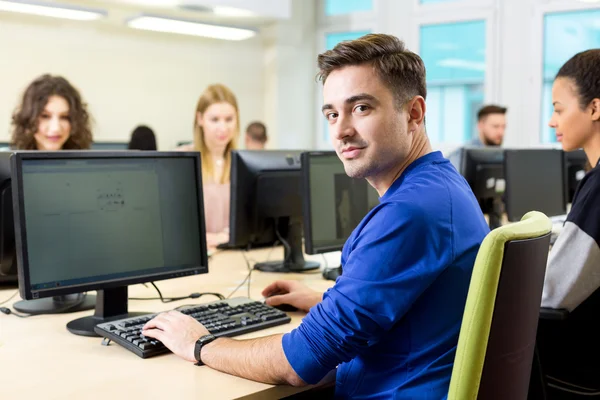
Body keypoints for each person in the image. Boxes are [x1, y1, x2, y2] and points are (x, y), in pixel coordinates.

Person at [141, 34, 489, 397]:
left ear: (414, 113)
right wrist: (328, 302)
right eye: (332, 114)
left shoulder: (409, 212)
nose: (340, 131)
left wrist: (201, 343)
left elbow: (299, 362)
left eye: (362, 108)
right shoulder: (443, 186)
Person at [537, 49, 600, 391]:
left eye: (558, 110)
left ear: (594, 108)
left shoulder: (598, 187)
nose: (552, 121)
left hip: (579, 369)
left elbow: (551, 293)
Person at [179, 84, 239, 248]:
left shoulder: (242, 163)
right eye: (215, 120)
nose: (223, 128)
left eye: (229, 119)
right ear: (200, 119)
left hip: (233, 254)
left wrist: (226, 235)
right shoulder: (182, 161)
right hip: (195, 252)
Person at [11, 74, 93, 150]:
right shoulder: (5, 164)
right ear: (28, 118)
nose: (55, 128)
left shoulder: (89, 164)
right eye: (45, 116)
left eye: (65, 117)